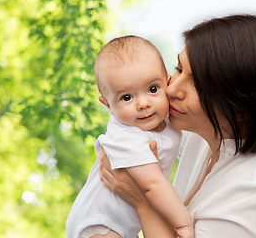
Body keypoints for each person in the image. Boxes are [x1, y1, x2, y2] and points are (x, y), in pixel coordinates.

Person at [98, 14, 256, 238]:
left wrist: (142, 202)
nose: (171, 89)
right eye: (178, 69)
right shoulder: (215, 129)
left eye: (197, 84)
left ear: (239, 107)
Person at [66, 35, 194, 238]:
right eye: (127, 97)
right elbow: (153, 185)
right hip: (100, 222)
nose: (143, 103)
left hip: (124, 222)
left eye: (153, 89)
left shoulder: (169, 119)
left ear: (167, 82)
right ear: (107, 105)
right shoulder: (127, 137)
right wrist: (183, 224)